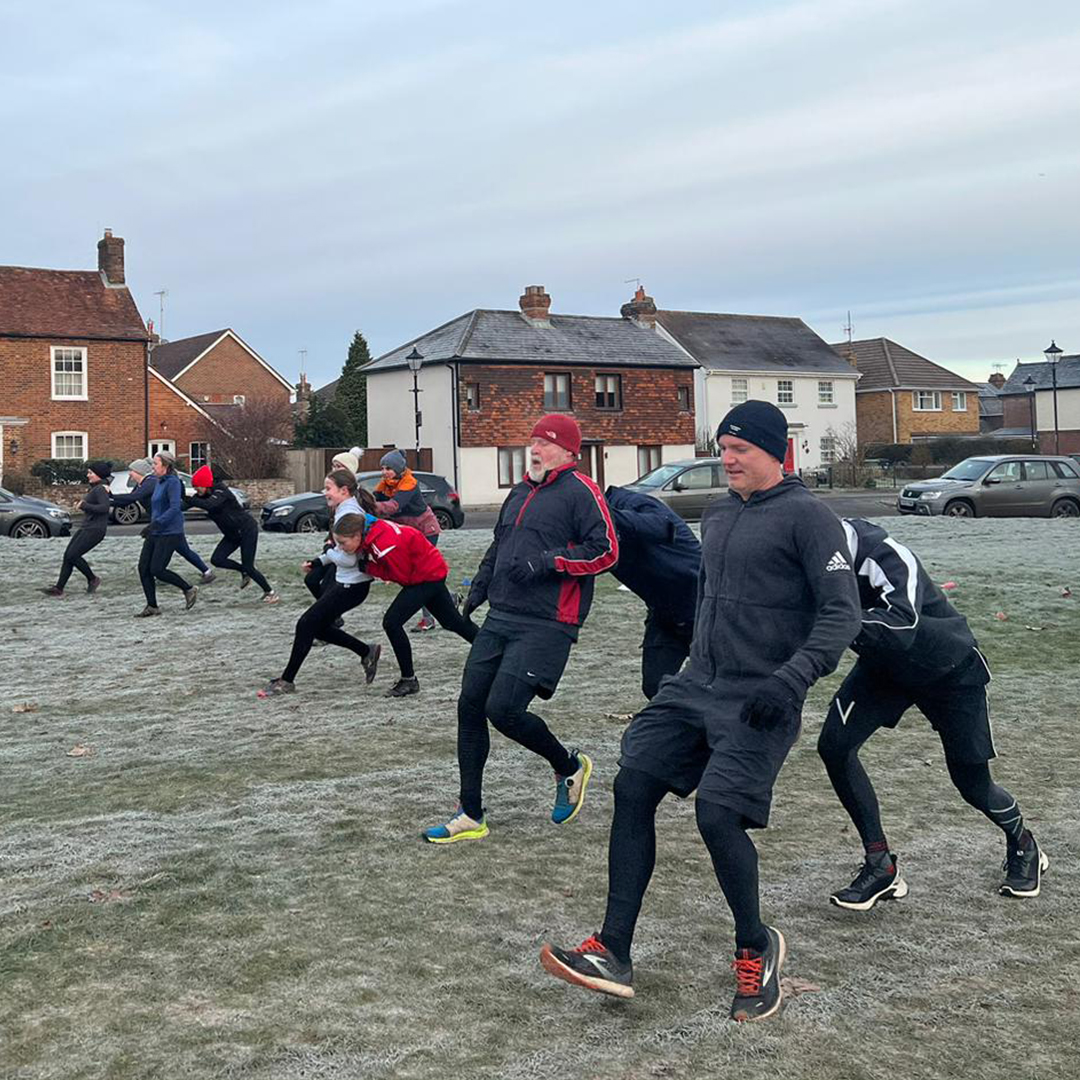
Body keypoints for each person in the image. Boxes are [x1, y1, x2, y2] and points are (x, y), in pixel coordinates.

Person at [539, 401, 860, 1023]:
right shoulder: (716, 514)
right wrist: (679, 669)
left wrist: (791, 679)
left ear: (776, 452)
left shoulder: (810, 519)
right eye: (723, 447)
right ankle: (613, 950)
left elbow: (841, 615)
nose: (728, 459)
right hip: (697, 684)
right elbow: (703, 598)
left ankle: (756, 947)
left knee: (717, 816)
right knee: (633, 785)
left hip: (764, 695)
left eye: (740, 449)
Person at [817, 517, 1047, 907]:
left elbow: (902, 624)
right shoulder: (813, 557)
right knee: (834, 747)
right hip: (885, 668)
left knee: (972, 785)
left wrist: (837, 622)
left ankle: (1024, 844)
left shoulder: (887, 556)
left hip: (948, 667)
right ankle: (880, 866)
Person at [423, 414, 619, 844]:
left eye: (545, 443)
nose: (534, 449)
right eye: (532, 441)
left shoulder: (582, 492)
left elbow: (606, 552)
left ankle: (569, 767)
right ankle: (470, 814)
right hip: (502, 615)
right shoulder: (520, 492)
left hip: (549, 621)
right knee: (470, 706)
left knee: (504, 709)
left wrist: (550, 562)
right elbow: (501, 544)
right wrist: (479, 586)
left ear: (569, 452)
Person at [347, 512, 478, 697]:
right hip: (430, 571)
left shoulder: (385, 545)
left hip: (425, 577)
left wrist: (369, 568)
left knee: (392, 622)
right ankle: (494, 648)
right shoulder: (372, 530)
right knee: (452, 622)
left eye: (344, 543)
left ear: (357, 535)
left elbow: (401, 575)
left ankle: (409, 680)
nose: (343, 548)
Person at [259, 515, 381, 697]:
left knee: (305, 624)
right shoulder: (343, 515)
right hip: (343, 584)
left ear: (344, 491)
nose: (326, 494)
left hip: (351, 588)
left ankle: (287, 681)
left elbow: (347, 559)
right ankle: (365, 650)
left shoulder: (351, 511)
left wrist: (329, 549)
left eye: (329, 489)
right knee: (318, 628)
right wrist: (318, 561)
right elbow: (339, 553)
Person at [604, 485, 701, 699]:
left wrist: (602, 517)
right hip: (664, 615)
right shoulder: (589, 533)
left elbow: (664, 527)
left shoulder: (629, 503)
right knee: (654, 687)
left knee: (720, 684)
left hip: (705, 607)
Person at [110, 459, 215, 583]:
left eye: (132, 471)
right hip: (160, 522)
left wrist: (110, 496)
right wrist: (108, 501)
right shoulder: (142, 485)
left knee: (177, 551)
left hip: (166, 522)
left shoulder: (150, 483)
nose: (130, 474)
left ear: (139, 472)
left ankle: (164, 575)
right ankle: (206, 572)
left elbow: (134, 497)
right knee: (183, 549)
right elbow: (128, 500)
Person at [184, 465, 278, 603]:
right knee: (217, 559)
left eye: (197, 487)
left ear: (205, 484)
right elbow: (185, 504)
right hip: (232, 534)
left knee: (249, 566)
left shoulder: (221, 491)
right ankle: (243, 570)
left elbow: (210, 505)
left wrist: (189, 499)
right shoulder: (204, 494)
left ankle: (270, 592)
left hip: (247, 530)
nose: (196, 490)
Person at [373, 449, 442, 632]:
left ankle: (428, 619)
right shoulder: (385, 485)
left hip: (426, 531)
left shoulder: (409, 484)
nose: (384, 472)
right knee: (414, 577)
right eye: (383, 468)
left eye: (388, 468)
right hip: (410, 535)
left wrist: (371, 505)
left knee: (420, 576)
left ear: (398, 468)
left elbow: (393, 507)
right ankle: (449, 599)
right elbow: (374, 500)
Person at [133, 452, 198, 617]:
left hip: (170, 532)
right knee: (144, 568)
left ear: (166, 466)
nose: (153, 467)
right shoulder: (159, 482)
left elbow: (175, 508)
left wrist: (156, 523)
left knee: (157, 569)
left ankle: (188, 589)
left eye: (156, 464)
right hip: (156, 530)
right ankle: (152, 606)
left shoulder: (173, 483)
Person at [40, 461, 113, 597]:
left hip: (95, 530)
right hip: (88, 527)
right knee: (68, 556)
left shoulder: (100, 489)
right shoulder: (98, 488)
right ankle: (59, 588)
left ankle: (92, 579)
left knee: (73, 555)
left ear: (98, 475)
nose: (88, 475)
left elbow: (104, 508)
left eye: (90, 472)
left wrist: (84, 505)